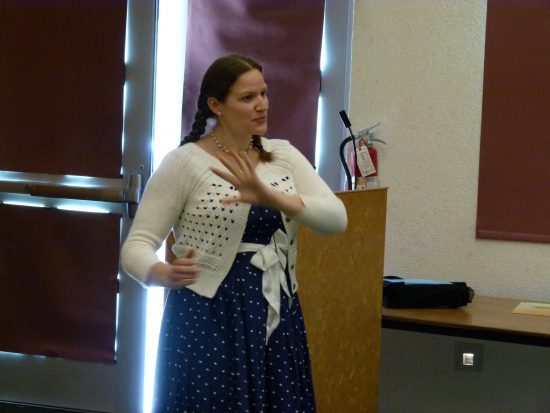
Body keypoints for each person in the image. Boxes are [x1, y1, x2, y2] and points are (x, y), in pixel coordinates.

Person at [120, 54, 347, 412]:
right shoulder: (184, 162)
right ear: (216, 105)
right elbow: (137, 245)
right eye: (247, 98)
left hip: (275, 313)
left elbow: (337, 218)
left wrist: (271, 196)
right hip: (207, 313)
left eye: (264, 93)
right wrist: (159, 272)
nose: (262, 105)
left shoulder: (282, 155)